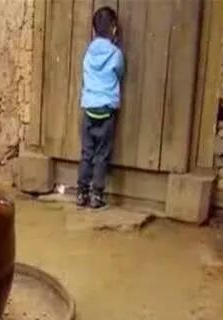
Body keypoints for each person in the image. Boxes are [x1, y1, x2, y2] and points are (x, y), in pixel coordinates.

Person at [76, 6, 124, 210]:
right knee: (102, 155)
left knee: (87, 153)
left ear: (94, 30)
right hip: (106, 110)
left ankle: (81, 193)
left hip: (89, 109)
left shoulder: (88, 53)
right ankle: (96, 195)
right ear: (113, 28)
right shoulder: (116, 54)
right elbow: (119, 73)